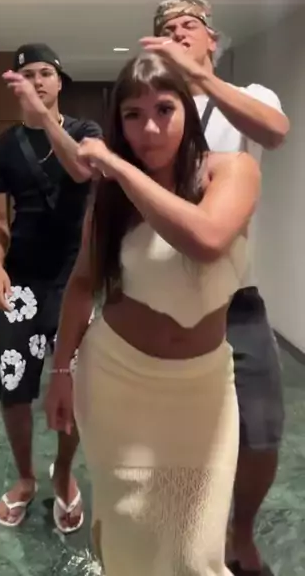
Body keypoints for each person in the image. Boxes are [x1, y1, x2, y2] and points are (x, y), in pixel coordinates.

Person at [46, 50, 261, 575]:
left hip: (204, 392)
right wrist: (60, 371)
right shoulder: (112, 199)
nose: (149, 128)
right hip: (119, 382)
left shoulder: (232, 171)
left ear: (188, 110)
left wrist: (117, 165)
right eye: (132, 115)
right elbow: (82, 283)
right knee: (132, 543)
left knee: (196, 555)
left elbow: (206, 239)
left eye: (164, 109)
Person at [140, 0, 290, 576]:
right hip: (166, 294)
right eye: (167, 28)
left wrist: (203, 80)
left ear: (212, 39)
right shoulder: (154, 110)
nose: (179, 33)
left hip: (236, 298)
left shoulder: (250, 95)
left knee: (261, 430)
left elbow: (274, 132)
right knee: (170, 434)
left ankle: (239, 532)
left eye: (190, 25)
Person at [0, 43, 102, 532]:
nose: (37, 82)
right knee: (13, 387)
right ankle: (26, 477)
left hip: (76, 279)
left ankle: (63, 473)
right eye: (27, 74)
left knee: (73, 384)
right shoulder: (2, 148)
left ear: (59, 81)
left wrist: (45, 121)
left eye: (45, 74)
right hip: (23, 279)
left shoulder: (86, 132)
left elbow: (81, 170)